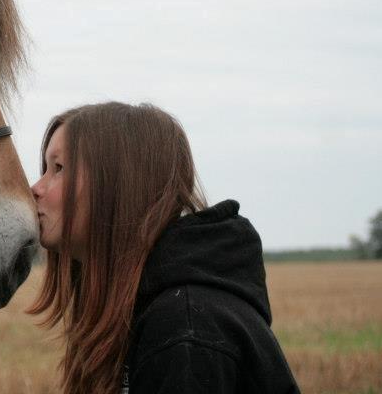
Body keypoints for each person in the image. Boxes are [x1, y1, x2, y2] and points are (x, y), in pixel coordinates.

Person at [28, 102, 300, 394]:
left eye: (58, 168)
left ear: (120, 183)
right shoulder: (151, 309)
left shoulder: (186, 331)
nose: (35, 188)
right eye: (45, 168)